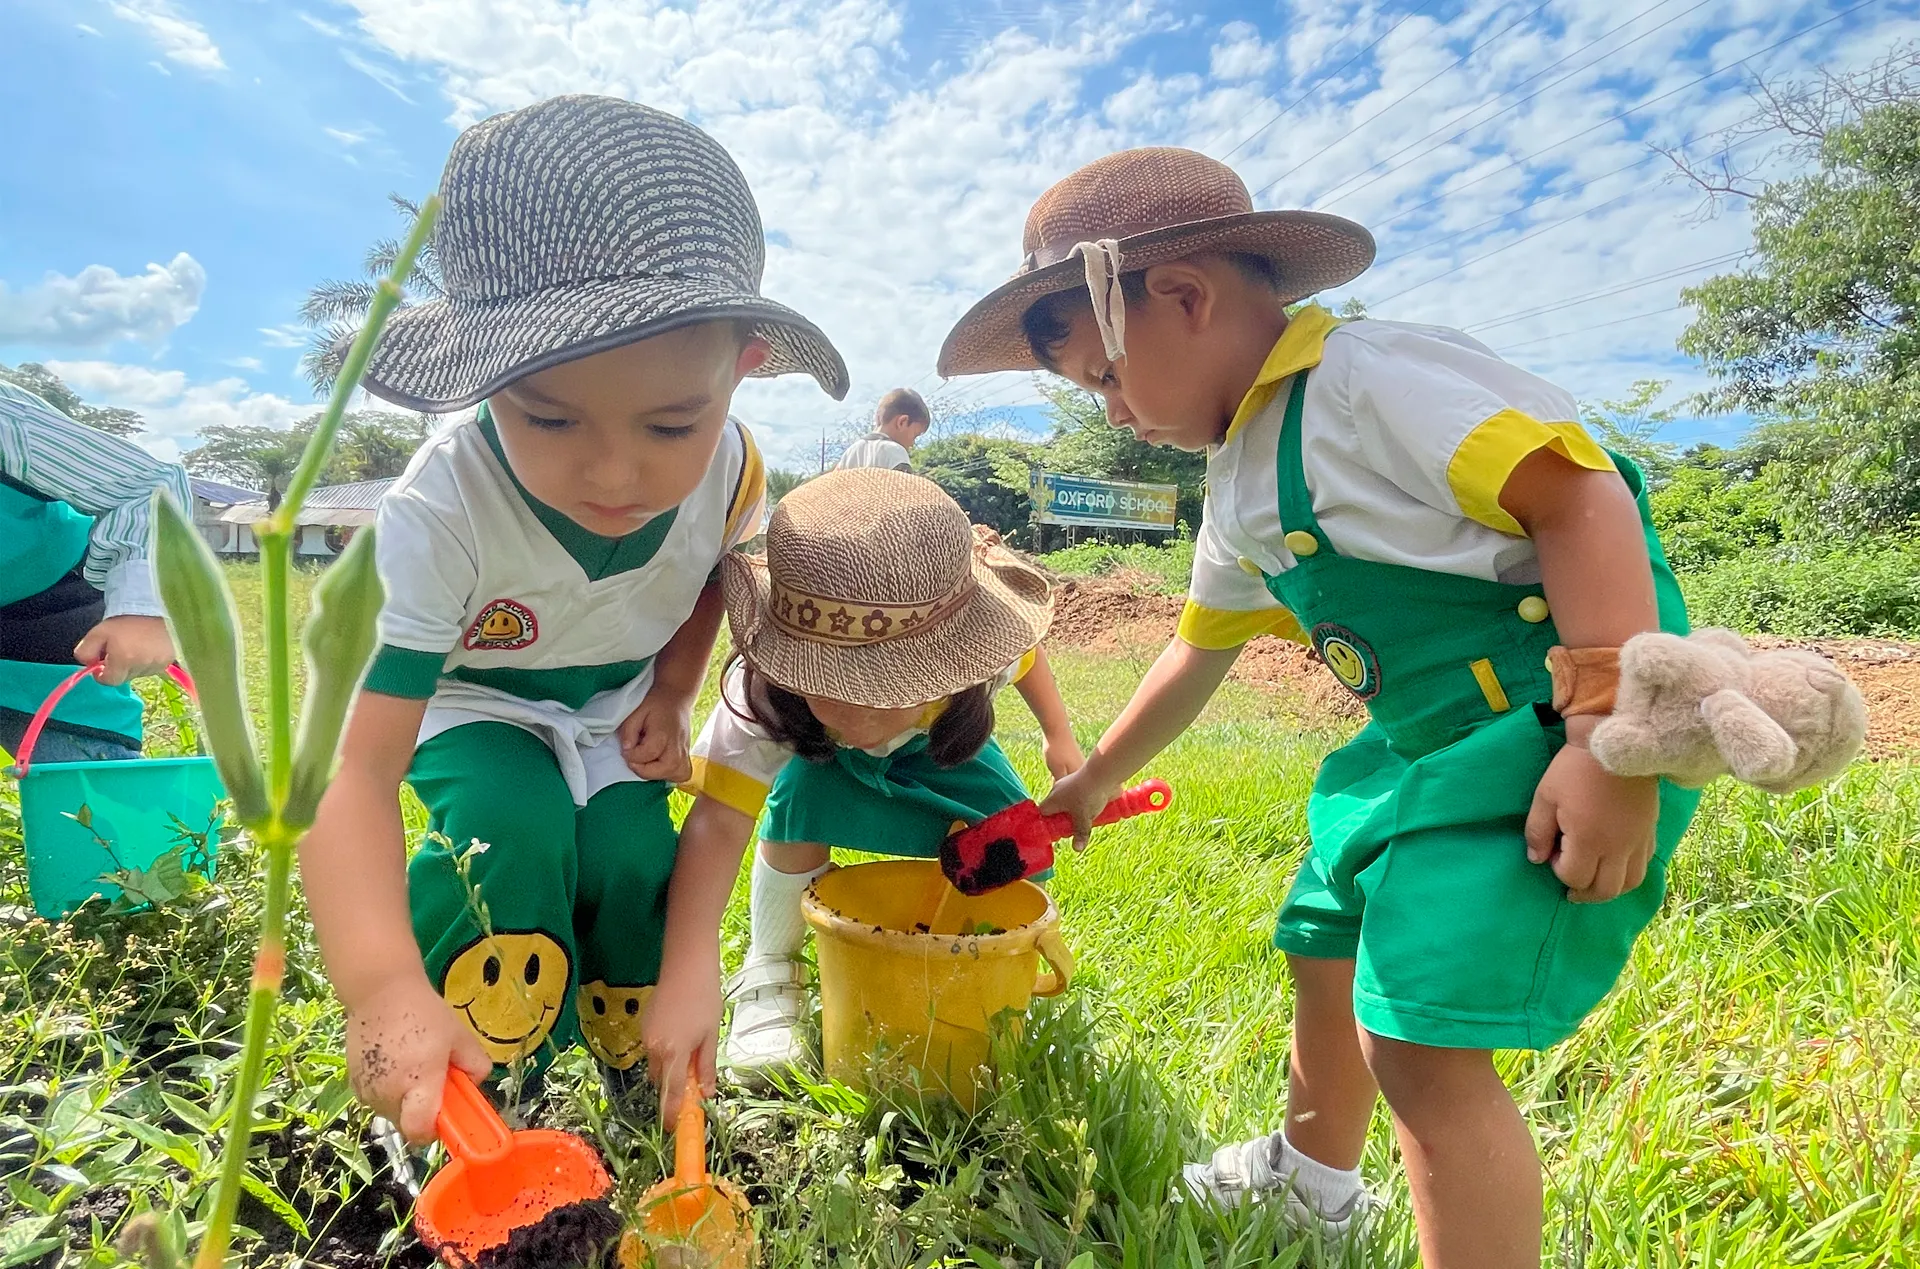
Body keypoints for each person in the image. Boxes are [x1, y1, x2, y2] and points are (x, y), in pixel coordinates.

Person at [935, 147, 1700, 1268]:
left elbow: (1581, 501)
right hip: (1420, 746)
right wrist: (1090, 779)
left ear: (1185, 300)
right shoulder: (1240, 471)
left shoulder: (1370, 381)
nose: (1113, 409)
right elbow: (1197, 653)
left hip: (1552, 724)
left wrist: (1610, 741)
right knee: (1321, 942)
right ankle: (1312, 1185)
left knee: (1419, 1050)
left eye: (1104, 378)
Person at [297, 95, 849, 1143]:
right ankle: (481, 1082)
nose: (612, 473)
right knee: (517, 836)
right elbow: (352, 770)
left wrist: (679, 690)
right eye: (546, 416)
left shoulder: (734, 473)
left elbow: (712, 578)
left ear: (744, 367)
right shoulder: (443, 511)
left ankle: (638, 1064)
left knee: (635, 858)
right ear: (484, 381)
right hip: (474, 701)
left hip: (617, 702)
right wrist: (377, 986)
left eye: (671, 422)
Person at [640, 468, 1082, 1091]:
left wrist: (1057, 735)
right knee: (796, 804)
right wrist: (689, 969)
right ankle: (770, 966)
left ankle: (997, 959)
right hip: (823, 763)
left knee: (1012, 841)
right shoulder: (767, 693)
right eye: (835, 693)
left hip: (945, 755)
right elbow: (719, 821)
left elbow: (1031, 660)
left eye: (888, 693)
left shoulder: (984, 650)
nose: (863, 720)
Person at [0, 379, 188, 764]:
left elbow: (148, 489)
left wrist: (141, 611)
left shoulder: (10, 423)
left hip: (45, 608)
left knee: (93, 790)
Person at [835, 387, 929, 471]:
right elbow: (903, 489)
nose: (912, 444)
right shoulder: (896, 452)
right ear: (902, 422)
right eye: (914, 436)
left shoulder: (850, 452)